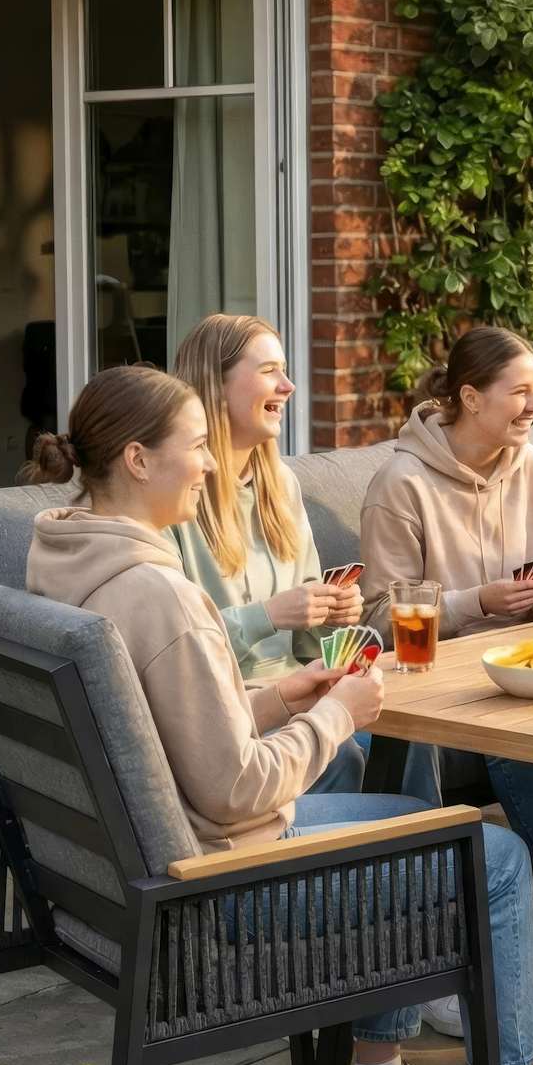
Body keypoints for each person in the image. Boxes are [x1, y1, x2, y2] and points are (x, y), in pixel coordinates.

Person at [22, 364, 533, 1065]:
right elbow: (238, 791)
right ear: (136, 460)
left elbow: (171, 730)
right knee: (498, 860)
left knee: (423, 825)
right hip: (221, 886)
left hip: (147, 866)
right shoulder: (155, 593)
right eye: (197, 447)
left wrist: (288, 698)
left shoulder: (59, 559)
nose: (207, 465)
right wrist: (340, 715)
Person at [360, 326, 533, 949]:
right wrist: (477, 603)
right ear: (471, 398)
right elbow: (371, 619)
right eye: (520, 392)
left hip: (524, 662)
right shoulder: (402, 484)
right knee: (511, 720)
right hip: (444, 680)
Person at [171, 313, 364, 795]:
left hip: (303, 686)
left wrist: (328, 614)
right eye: (268, 371)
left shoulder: (281, 486)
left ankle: (424, 859)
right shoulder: (174, 499)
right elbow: (178, 652)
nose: (289, 385)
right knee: (348, 748)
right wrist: (270, 615)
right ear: (214, 386)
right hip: (231, 709)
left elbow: (302, 647)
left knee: (414, 729)